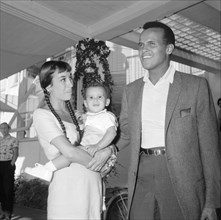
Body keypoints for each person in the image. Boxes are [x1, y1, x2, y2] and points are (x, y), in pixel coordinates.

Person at [116, 21, 221, 220]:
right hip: (141, 173)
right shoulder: (132, 90)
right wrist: (103, 147)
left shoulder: (195, 86)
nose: (143, 50)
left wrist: (211, 201)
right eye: (140, 45)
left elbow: (210, 147)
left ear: (169, 48)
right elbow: (126, 133)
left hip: (181, 177)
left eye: (151, 44)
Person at [24, 60, 115, 220]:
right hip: (68, 190)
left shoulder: (78, 114)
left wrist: (109, 150)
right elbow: (70, 152)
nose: (71, 84)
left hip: (92, 187)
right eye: (63, 79)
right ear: (49, 87)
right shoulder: (42, 115)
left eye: (70, 77)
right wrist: (102, 162)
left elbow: (98, 137)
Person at [0, 122, 19, 220]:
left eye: (5, 128)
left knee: (8, 190)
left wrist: (11, 164)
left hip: (8, 164)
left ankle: (8, 213)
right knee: (1, 190)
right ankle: (3, 211)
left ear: (9, 129)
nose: (3, 130)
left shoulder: (13, 140)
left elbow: (16, 153)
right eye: (1, 128)